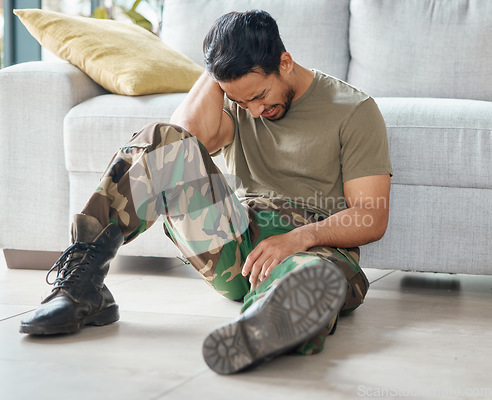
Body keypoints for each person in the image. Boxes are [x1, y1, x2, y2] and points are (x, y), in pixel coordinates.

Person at [19, 10, 392, 375]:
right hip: (238, 243)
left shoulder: (354, 110)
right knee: (161, 139)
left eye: (260, 95)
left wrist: (298, 238)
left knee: (308, 279)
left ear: (286, 61)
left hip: (314, 248)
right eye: (243, 102)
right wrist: (216, 74)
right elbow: (179, 144)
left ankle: (263, 325)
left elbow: (370, 216)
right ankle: (82, 286)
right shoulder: (239, 101)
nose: (255, 110)